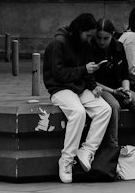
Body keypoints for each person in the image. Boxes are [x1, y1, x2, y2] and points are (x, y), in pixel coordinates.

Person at [42, 12, 114, 184]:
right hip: (60, 87)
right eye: (88, 35)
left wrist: (93, 86)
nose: (90, 39)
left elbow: (88, 68)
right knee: (78, 112)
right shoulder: (58, 43)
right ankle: (66, 159)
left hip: (79, 86)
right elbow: (58, 73)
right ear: (79, 30)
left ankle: (87, 150)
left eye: (91, 36)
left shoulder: (85, 44)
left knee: (104, 109)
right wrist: (84, 71)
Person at [91, 18, 135, 173]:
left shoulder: (118, 47)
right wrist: (113, 92)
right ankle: (113, 150)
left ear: (112, 35)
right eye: (99, 38)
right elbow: (91, 81)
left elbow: (125, 73)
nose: (102, 42)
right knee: (114, 106)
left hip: (118, 86)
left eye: (106, 38)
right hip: (101, 88)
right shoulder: (91, 49)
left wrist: (127, 91)